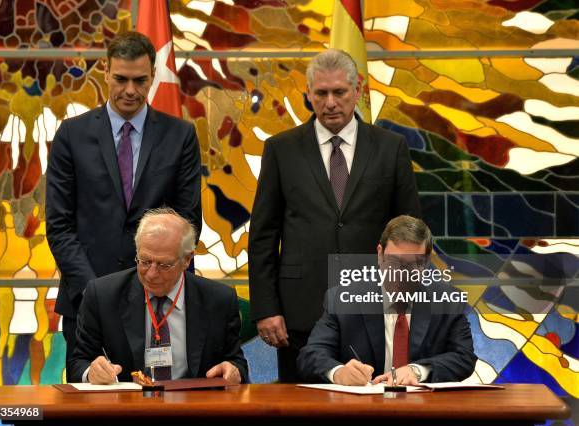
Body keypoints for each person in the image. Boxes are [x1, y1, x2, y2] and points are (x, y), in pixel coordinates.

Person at [248, 49, 421, 382]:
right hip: (300, 314)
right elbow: (263, 236)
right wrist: (267, 308)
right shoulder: (281, 149)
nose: (330, 102)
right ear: (309, 95)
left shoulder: (391, 147)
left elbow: (409, 232)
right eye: (321, 93)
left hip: (373, 308)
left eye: (339, 92)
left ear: (357, 91)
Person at [46, 31, 201, 366]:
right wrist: (96, 294)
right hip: (86, 300)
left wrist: (157, 282)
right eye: (121, 79)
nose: (130, 90)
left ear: (153, 77)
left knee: (159, 406)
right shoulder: (71, 135)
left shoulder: (181, 136)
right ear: (105, 72)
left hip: (161, 300)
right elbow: (59, 226)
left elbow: (187, 221)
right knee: (89, 408)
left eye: (140, 80)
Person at [68, 208, 248, 384]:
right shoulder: (103, 295)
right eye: (145, 261)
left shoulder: (219, 300)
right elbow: (78, 363)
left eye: (164, 265)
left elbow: (237, 364)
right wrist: (92, 373)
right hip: (127, 406)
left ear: (187, 259)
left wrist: (233, 370)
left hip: (195, 406)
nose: (151, 274)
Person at [297, 215, 477, 385]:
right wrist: (338, 373)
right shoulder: (342, 299)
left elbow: (464, 357)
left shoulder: (449, 302)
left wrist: (418, 370)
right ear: (379, 254)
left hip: (424, 410)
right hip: (360, 410)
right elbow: (311, 355)